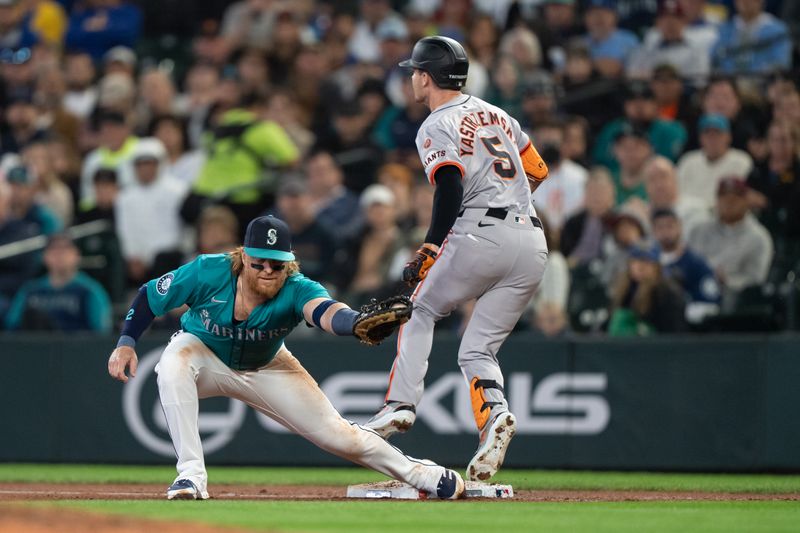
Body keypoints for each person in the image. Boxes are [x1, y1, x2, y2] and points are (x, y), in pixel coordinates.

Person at [106, 215, 465, 501]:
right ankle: (191, 476)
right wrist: (126, 342)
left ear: (289, 263)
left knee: (342, 437)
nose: (267, 271)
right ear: (244, 255)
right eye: (260, 261)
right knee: (172, 363)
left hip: (268, 366)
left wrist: (354, 322)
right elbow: (150, 296)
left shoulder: (297, 288)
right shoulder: (208, 270)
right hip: (204, 355)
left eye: (276, 265)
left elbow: (324, 311)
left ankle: (424, 474)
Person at [364, 36, 550, 483]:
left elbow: (448, 185)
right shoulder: (498, 114)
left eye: (415, 71)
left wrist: (430, 245)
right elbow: (538, 170)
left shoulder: (434, 124)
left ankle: (399, 407)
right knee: (478, 349)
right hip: (531, 241)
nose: (412, 78)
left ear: (426, 77)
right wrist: (508, 203)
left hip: (479, 232)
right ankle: (495, 418)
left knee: (420, 309)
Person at [5, 233, 112, 332]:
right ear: (44, 256)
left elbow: (101, 331)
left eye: (65, 249)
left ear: (77, 255)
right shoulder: (30, 290)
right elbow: (12, 327)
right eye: (53, 249)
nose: (59, 255)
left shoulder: (89, 291)